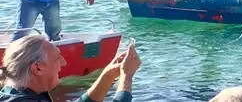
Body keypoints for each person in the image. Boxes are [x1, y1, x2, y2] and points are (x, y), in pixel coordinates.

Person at [0, 34, 139, 102]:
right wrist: (126, 77)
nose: (64, 63)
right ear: (37, 68)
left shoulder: (13, 93)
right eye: (57, 58)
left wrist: (108, 74)